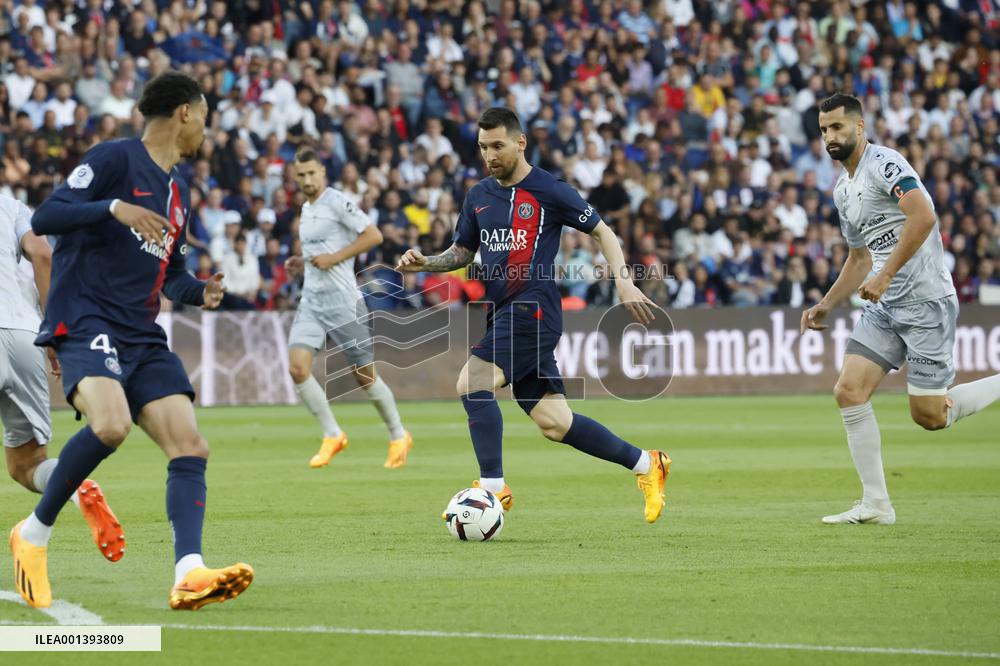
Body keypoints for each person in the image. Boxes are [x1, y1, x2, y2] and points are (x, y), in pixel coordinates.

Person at [9, 71, 253, 610]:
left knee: (190, 445)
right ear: (185, 113)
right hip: (87, 317)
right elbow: (48, 216)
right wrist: (114, 208)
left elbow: (172, 274)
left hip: (142, 334)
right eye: (205, 119)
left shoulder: (178, 191)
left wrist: (200, 292)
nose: (205, 134)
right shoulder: (114, 159)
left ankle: (189, 572)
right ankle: (33, 533)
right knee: (111, 424)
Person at [396, 107, 670, 524]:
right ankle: (648, 465)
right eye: (483, 147)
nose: (490, 155)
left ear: (520, 142)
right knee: (555, 422)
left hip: (534, 310)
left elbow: (603, 231)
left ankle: (491, 490)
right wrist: (427, 262)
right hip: (503, 311)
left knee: (472, 383)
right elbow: (463, 253)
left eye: (498, 146)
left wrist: (623, 281)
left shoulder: (549, 189)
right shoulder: (478, 196)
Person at [801, 93, 1000, 525]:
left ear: (859, 127)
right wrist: (826, 304)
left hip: (926, 301)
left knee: (929, 416)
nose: (829, 136)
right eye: (823, 130)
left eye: (836, 127)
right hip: (884, 306)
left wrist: (886, 273)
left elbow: (924, 215)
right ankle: (876, 505)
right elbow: (857, 260)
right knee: (848, 392)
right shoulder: (842, 190)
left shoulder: (885, 164)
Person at [1, 193, 125, 565]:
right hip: (23, 333)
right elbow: (43, 254)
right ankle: (77, 487)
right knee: (27, 464)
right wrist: (50, 328)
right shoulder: (10, 205)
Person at [285, 148, 413, 469]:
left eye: (312, 173)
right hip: (312, 301)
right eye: (301, 175)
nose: (307, 180)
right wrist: (303, 263)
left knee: (364, 375)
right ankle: (332, 434)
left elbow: (373, 235)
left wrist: (334, 258)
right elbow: (322, 250)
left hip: (344, 303)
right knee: (298, 368)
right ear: (294, 176)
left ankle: (398, 434)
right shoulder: (306, 208)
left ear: (323, 172)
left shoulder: (336, 202)